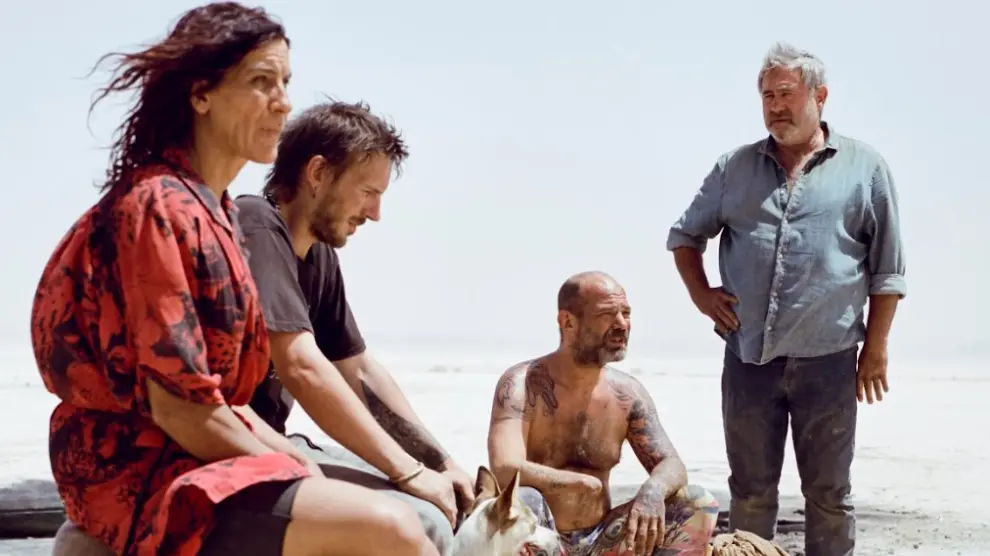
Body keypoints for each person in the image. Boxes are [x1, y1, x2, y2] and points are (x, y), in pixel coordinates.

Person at [34, 3, 439, 555]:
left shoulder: (216, 213)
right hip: (144, 472)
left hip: (200, 454)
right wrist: (301, 472)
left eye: (286, 82)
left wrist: (304, 465)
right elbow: (182, 408)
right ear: (201, 94)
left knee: (398, 515)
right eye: (261, 82)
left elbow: (230, 400)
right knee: (391, 528)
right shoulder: (158, 207)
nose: (283, 101)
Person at [666, 41, 907, 556]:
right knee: (750, 491)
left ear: (820, 96)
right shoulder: (734, 167)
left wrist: (876, 348)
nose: (776, 106)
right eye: (767, 96)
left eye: (786, 94)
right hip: (748, 359)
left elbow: (887, 270)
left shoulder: (864, 167)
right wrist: (702, 295)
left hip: (830, 361)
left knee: (830, 494)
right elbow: (685, 237)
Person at [233, 100, 475, 555]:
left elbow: (358, 370)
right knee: (421, 519)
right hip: (231, 455)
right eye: (368, 191)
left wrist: (439, 463)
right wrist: (408, 472)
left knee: (438, 506)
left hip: (278, 443)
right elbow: (301, 365)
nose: (376, 212)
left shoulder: (319, 256)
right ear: (318, 173)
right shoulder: (255, 224)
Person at [487, 271, 720, 556]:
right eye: (607, 314)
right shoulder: (522, 384)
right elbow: (505, 467)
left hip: (602, 541)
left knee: (697, 502)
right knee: (523, 498)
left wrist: (653, 491)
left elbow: (671, 464)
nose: (621, 324)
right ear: (567, 321)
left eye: (626, 313)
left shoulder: (627, 394)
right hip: (539, 539)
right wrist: (578, 483)